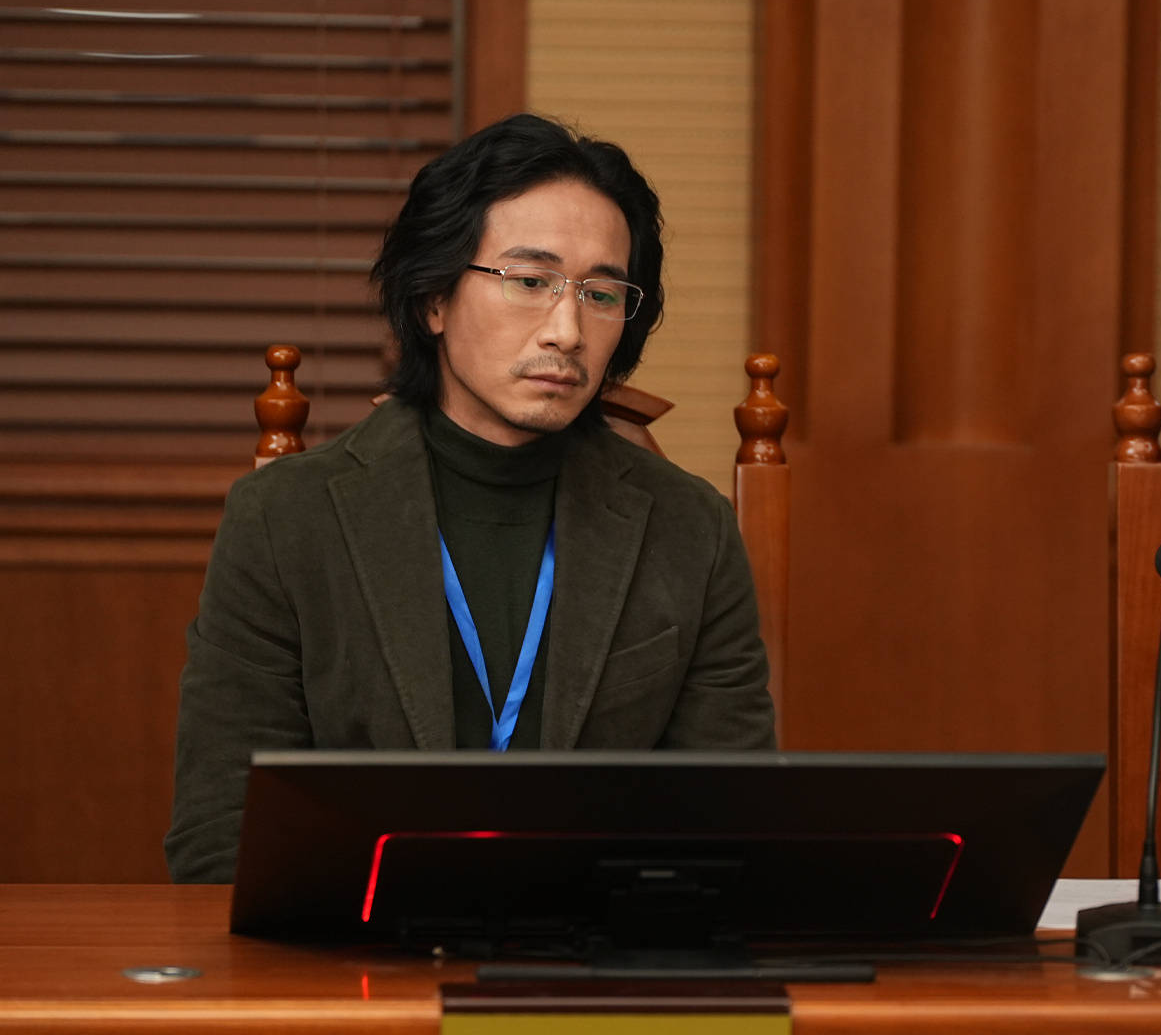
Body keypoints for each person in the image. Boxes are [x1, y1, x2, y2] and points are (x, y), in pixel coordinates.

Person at [165, 114, 776, 884]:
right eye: (530, 282)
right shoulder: (286, 520)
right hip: (358, 942)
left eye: (600, 293)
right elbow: (222, 840)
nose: (567, 330)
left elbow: (730, 832)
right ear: (434, 299)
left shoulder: (690, 530)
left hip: (599, 942)